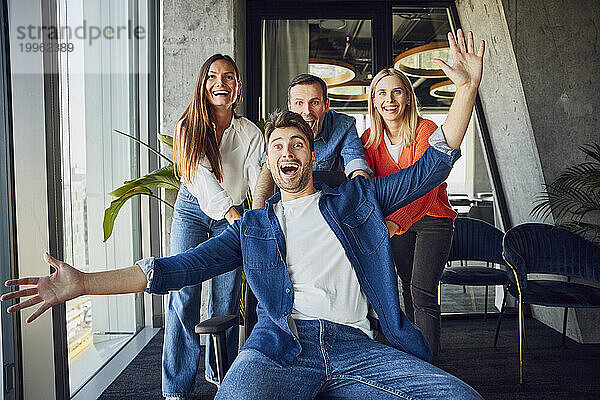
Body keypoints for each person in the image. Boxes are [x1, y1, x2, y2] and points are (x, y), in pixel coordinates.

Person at [3, 30, 484, 399]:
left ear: (311, 154)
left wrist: (465, 91)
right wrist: (84, 283)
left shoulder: (356, 201)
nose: (287, 153)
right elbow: (175, 269)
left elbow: (434, 163)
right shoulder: (256, 228)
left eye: (298, 144)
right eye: (278, 148)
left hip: (357, 345)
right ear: (269, 163)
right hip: (280, 347)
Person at [165, 54, 263, 398]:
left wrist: (261, 215)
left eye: (229, 77)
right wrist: (234, 215)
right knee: (184, 293)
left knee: (224, 300)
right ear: (203, 84)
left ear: (238, 87)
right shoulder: (187, 126)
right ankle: (175, 387)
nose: (220, 82)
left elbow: (256, 178)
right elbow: (201, 179)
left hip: (233, 214)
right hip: (193, 211)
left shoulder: (251, 132)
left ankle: (219, 374)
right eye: (212, 76)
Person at [361, 66, 457, 358]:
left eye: (397, 92)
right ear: (374, 101)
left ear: (407, 98)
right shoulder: (368, 139)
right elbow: (370, 187)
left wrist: (394, 222)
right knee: (406, 287)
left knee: (422, 292)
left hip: (433, 220)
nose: (389, 99)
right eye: (382, 93)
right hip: (395, 225)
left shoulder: (425, 130)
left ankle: (430, 366)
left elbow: (427, 187)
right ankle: (417, 353)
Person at [252, 73, 371, 209]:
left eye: (314, 102)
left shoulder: (343, 125)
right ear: (290, 106)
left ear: (326, 105)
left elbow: (356, 166)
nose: (307, 111)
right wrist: (257, 215)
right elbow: (267, 173)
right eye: (299, 103)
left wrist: (362, 203)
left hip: (332, 205)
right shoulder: (280, 129)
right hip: (290, 206)